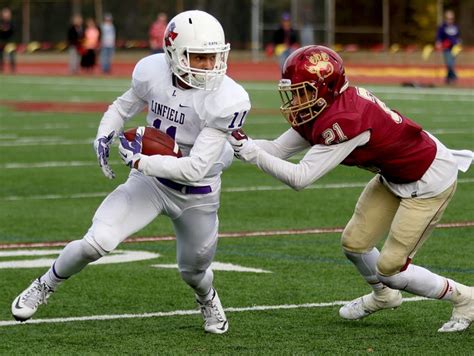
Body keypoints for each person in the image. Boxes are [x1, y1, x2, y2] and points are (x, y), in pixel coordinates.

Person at [11, 10, 250, 335]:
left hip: (197, 193)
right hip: (150, 184)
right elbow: (122, 107)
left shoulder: (228, 98)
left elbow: (195, 169)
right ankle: (45, 284)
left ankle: (207, 297)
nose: (210, 66)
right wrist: (103, 133)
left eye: (214, 57)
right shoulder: (153, 72)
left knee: (193, 272)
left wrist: (140, 161)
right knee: (96, 242)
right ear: (173, 54)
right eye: (199, 57)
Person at [229, 45, 473, 333]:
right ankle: (385, 296)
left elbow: (301, 178)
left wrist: (251, 153)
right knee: (355, 243)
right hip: (393, 174)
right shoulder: (325, 106)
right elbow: (276, 150)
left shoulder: (345, 120)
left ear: (326, 88)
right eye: (293, 91)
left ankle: (466, 298)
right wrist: (225, 142)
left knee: (391, 268)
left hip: (428, 179)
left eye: (302, 91)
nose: (296, 99)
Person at [435, 10, 461, 85]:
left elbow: (457, 37)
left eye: (451, 18)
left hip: (455, 48)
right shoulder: (442, 27)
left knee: (452, 63)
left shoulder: (455, 27)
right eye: (448, 18)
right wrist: (438, 42)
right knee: (449, 63)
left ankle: (447, 79)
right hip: (446, 47)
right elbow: (439, 36)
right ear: (445, 18)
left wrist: (459, 42)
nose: (450, 20)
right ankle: (454, 77)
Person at [0, 7, 16, 73]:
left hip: (10, 41)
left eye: (7, 14)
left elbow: (13, 30)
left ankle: (13, 69)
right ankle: (1, 68)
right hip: (1, 41)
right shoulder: (1, 22)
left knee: (11, 55)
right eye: (4, 14)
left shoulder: (12, 22)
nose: (6, 15)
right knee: (0, 55)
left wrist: (7, 29)